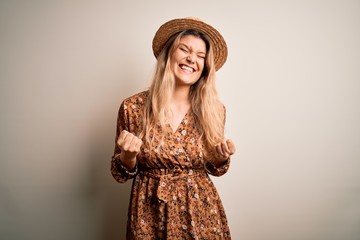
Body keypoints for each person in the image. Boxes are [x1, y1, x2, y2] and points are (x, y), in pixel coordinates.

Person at [111, 17, 236, 239]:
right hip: (149, 217)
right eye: (184, 50)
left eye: (200, 56)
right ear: (169, 54)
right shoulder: (133, 107)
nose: (191, 59)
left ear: (205, 67)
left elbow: (214, 168)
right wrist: (128, 157)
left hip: (201, 214)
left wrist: (219, 158)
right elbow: (120, 173)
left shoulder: (214, 110)